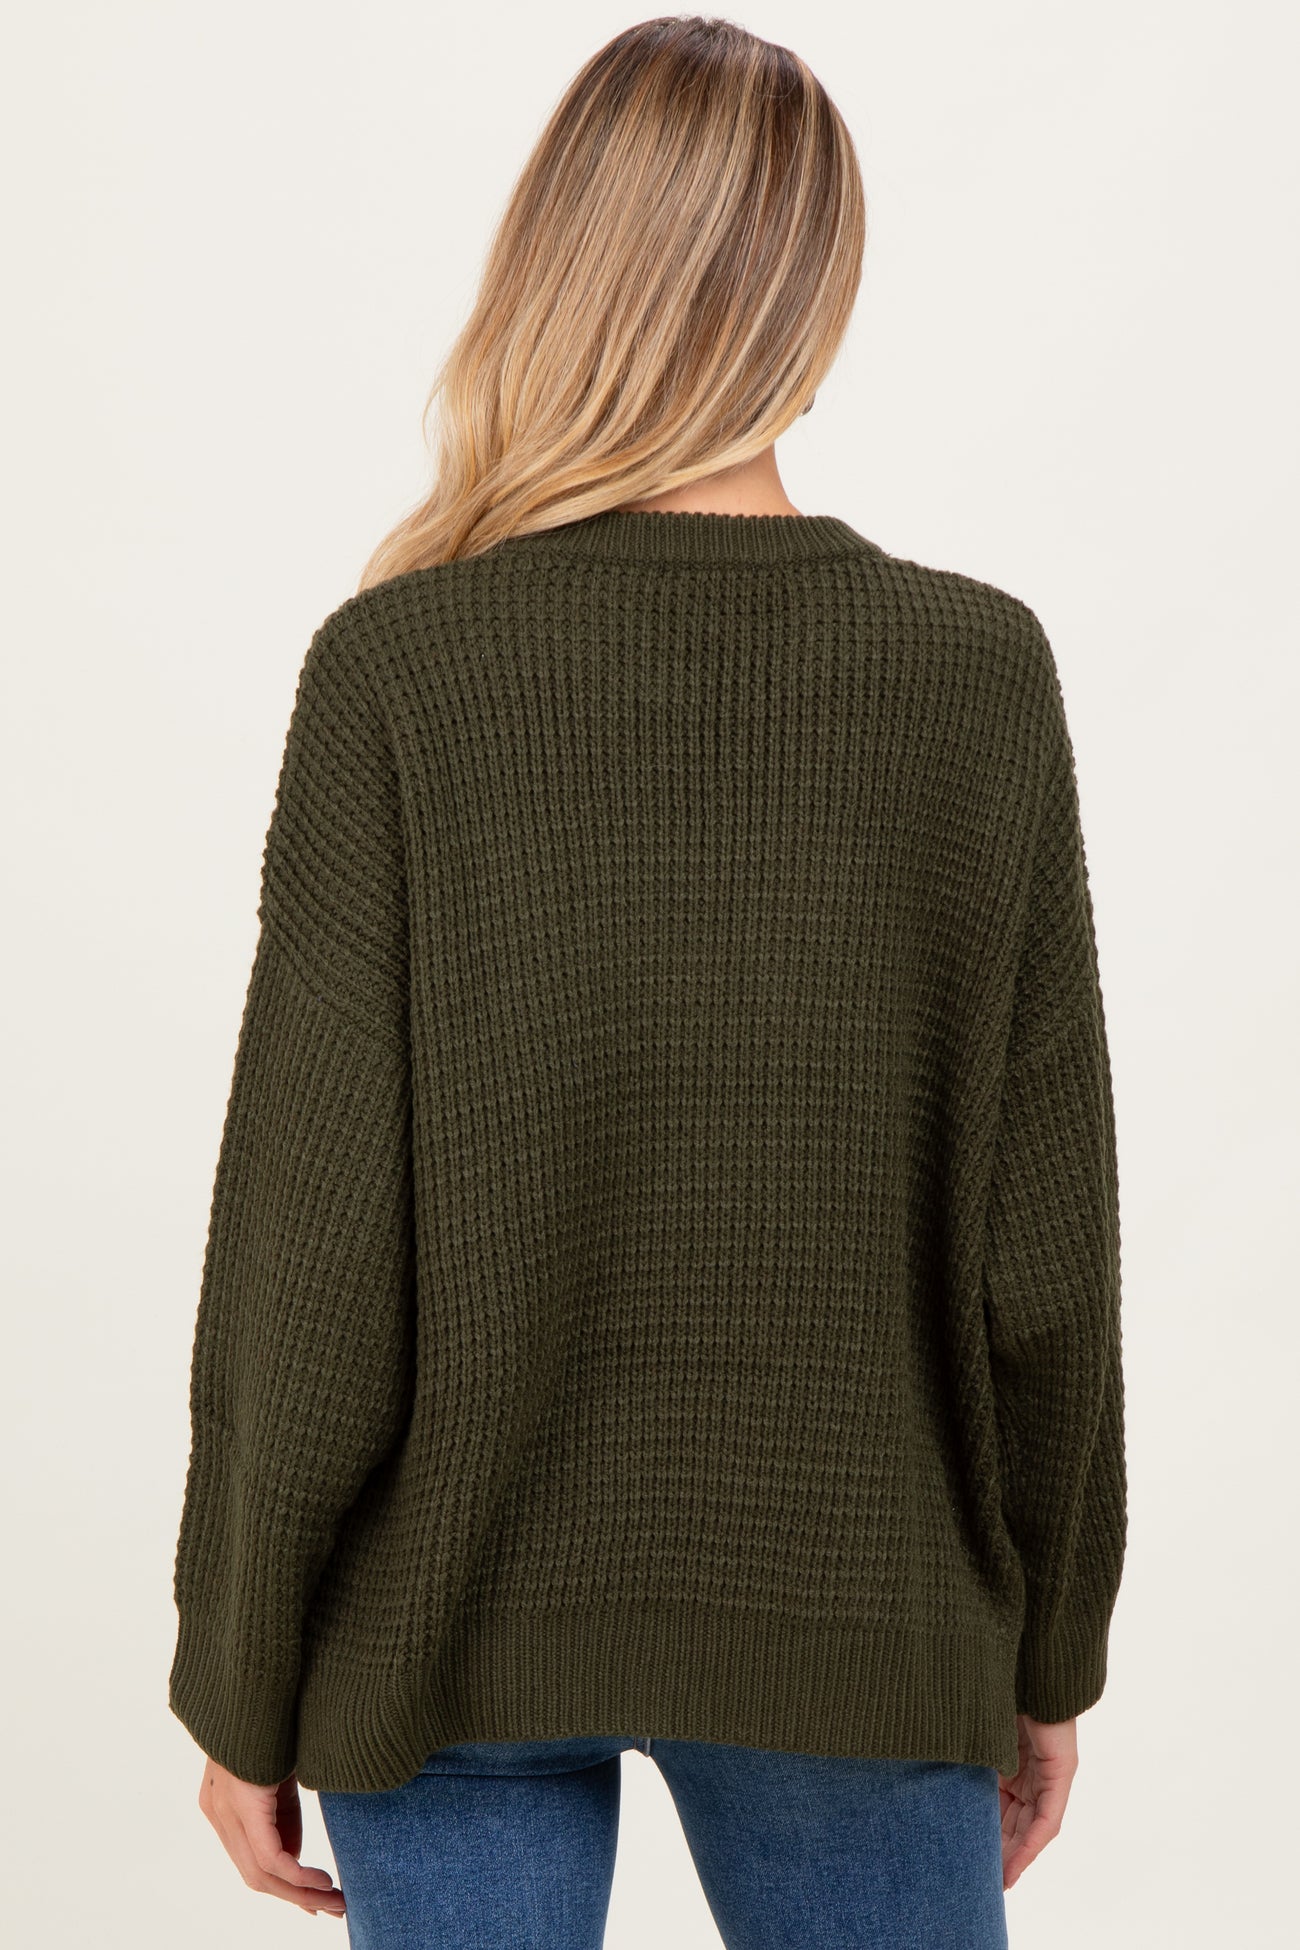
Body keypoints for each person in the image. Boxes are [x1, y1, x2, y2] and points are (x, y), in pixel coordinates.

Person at [168, 16, 1127, 1947]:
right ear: (815, 297)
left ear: (551, 268)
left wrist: (241, 1672)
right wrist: (1051, 1645)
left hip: (444, 1620)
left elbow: (308, 1249)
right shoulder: (974, 679)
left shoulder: (402, 670)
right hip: (858, 1605)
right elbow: (1045, 1252)